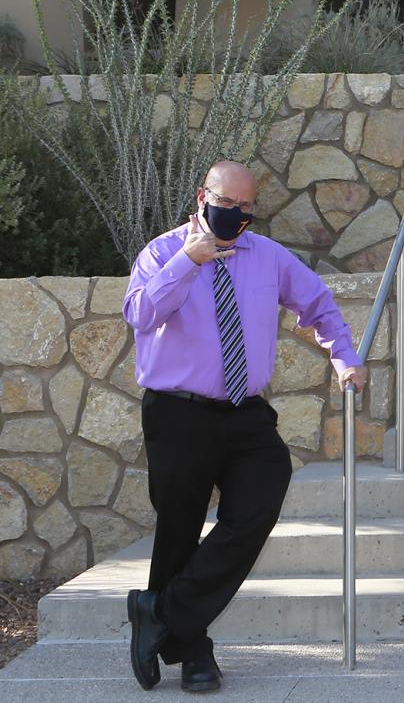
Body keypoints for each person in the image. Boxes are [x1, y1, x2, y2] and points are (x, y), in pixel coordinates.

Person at [122, 160, 366, 693]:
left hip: (245, 411)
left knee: (259, 501)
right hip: (177, 411)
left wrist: (343, 355)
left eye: (245, 207)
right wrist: (188, 260)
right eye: (225, 203)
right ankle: (193, 652)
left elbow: (317, 303)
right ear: (202, 195)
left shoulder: (267, 256)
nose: (234, 214)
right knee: (179, 528)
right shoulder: (163, 252)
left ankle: (160, 612)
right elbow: (140, 315)